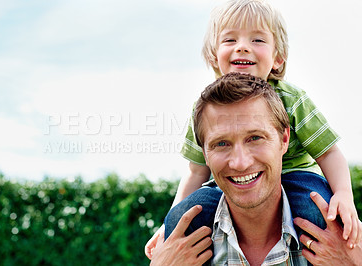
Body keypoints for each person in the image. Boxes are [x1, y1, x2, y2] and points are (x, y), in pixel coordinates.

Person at [145, 0, 361, 259]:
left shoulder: (292, 99)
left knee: (319, 215)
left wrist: (344, 195)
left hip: (297, 179)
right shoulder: (205, 109)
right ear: (214, 55)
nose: (243, 46)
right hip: (227, 188)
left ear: (277, 58)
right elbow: (195, 171)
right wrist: (169, 226)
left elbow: (329, 153)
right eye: (230, 40)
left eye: (257, 40)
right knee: (185, 217)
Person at [150, 73, 362, 265]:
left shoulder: (343, 240)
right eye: (221, 144)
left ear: (284, 140)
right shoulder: (181, 249)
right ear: (204, 154)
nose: (240, 163)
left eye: (255, 138)